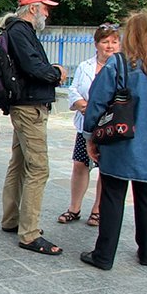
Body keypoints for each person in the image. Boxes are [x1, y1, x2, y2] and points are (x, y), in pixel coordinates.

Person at [80, 11, 147, 270]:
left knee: (112, 197)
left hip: (121, 141)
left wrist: (90, 135)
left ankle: (104, 256)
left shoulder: (119, 64)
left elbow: (97, 101)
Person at [0, 0, 67, 255]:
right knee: (39, 169)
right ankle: (29, 234)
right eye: (45, 8)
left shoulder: (18, 30)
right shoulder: (20, 31)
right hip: (29, 109)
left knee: (18, 164)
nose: (47, 14)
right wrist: (56, 73)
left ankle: (11, 219)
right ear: (33, 9)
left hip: (24, 106)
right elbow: (33, 68)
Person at [57, 24, 120, 226]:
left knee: (106, 168)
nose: (110, 46)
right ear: (96, 44)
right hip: (86, 125)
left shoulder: (123, 67)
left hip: (110, 126)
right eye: (105, 41)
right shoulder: (85, 66)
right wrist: (83, 105)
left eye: (114, 42)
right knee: (80, 164)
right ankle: (74, 208)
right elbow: (74, 89)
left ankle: (98, 209)